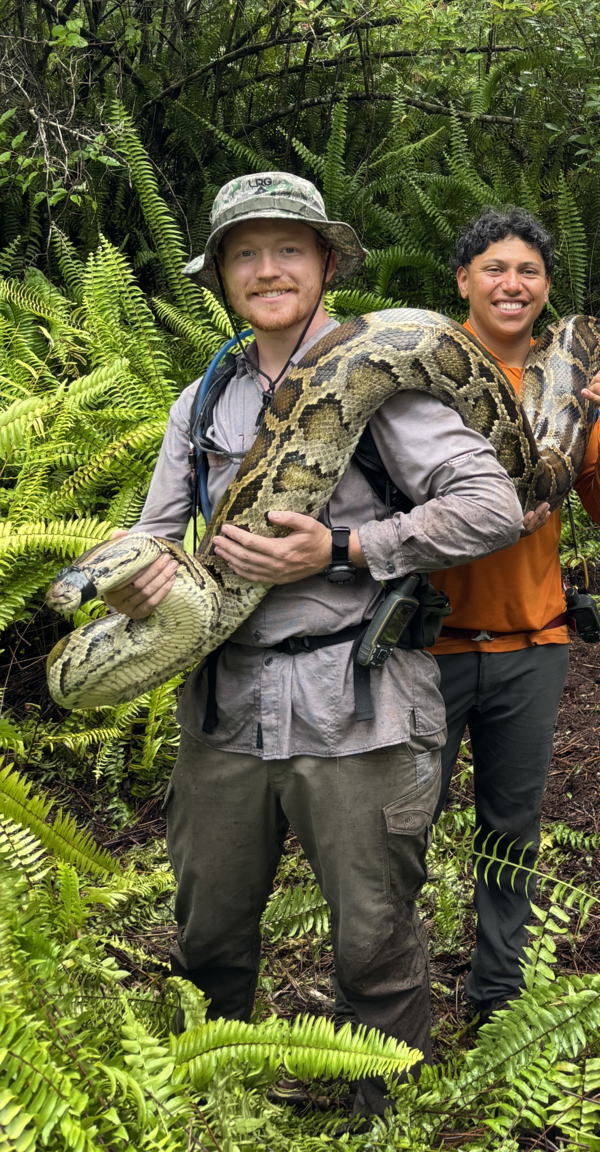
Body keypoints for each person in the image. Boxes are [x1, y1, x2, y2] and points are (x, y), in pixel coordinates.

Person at [104, 173, 524, 1116]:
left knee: (373, 932)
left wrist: (342, 546)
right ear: (219, 276)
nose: (267, 269)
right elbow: (156, 529)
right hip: (225, 705)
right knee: (208, 926)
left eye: (287, 248)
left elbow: (493, 505)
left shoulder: (382, 373)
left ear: (326, 262)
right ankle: (215, 1100)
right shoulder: (202, 396)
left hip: (357, 697)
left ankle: (383, 1106)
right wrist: (131, 572)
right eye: (244, 253)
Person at [431, 207, 600, 1023]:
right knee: (400, 830)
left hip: (533, 640)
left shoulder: (573, 374)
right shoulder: (427, 365)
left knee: (510, 830)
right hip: (430, 641)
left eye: (528, 271)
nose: (511, 284)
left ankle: (497, 996)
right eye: (493, 269)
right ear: (463, 280)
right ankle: (388, 1007)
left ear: (548, 286)